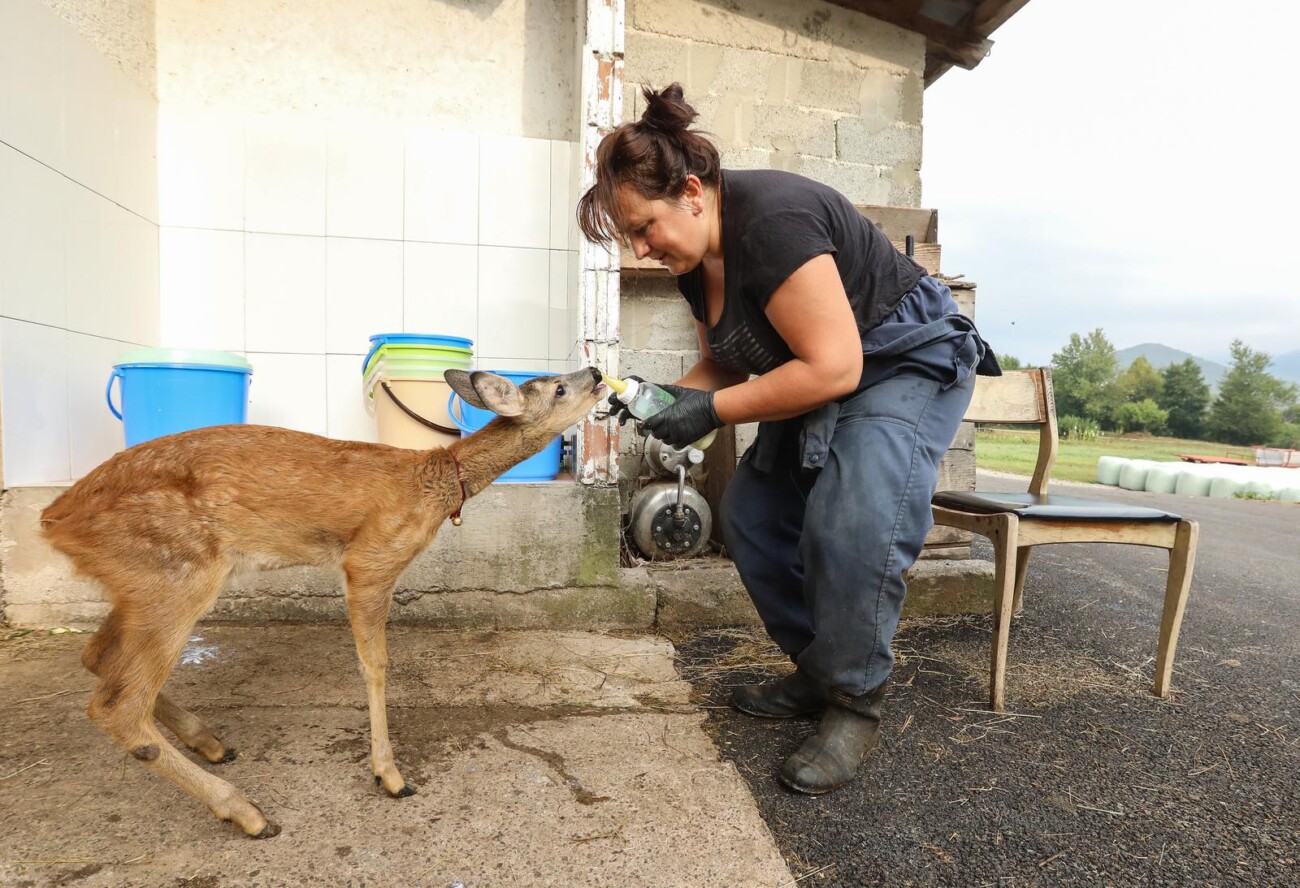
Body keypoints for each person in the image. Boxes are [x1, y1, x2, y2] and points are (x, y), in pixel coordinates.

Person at [577, 83, 999, 795]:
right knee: (752, 516)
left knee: (853, 520)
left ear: (690, 191)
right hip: (823, 368)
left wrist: (708, 416)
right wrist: (668, 400)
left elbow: (836, 365)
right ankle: (819, 669)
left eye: (644, 228)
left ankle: (855, 701)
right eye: (631, 240)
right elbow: (725, 361)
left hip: (899, 357)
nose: (643, 250)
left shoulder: (771, 222)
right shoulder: (694, 267)